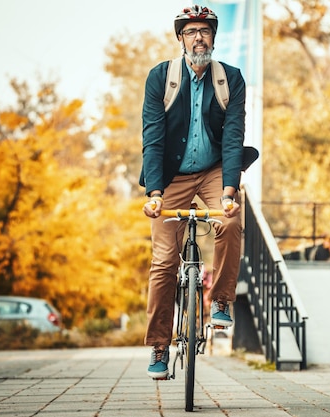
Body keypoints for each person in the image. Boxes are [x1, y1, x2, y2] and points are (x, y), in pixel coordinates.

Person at [139, 5, 246, 380]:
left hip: (216, 171)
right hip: (171, 178)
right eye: (190, 31)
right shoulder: (160, 78)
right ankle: (158, 345)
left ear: (214, 37)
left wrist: (230, 191)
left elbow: (234, 139)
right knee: (165, 261)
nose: (198, 36)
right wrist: (154, 192)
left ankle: (219, 300)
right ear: (181, 38)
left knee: (231, 221)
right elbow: (152, 138)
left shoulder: (230, 79)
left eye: (204, 30)